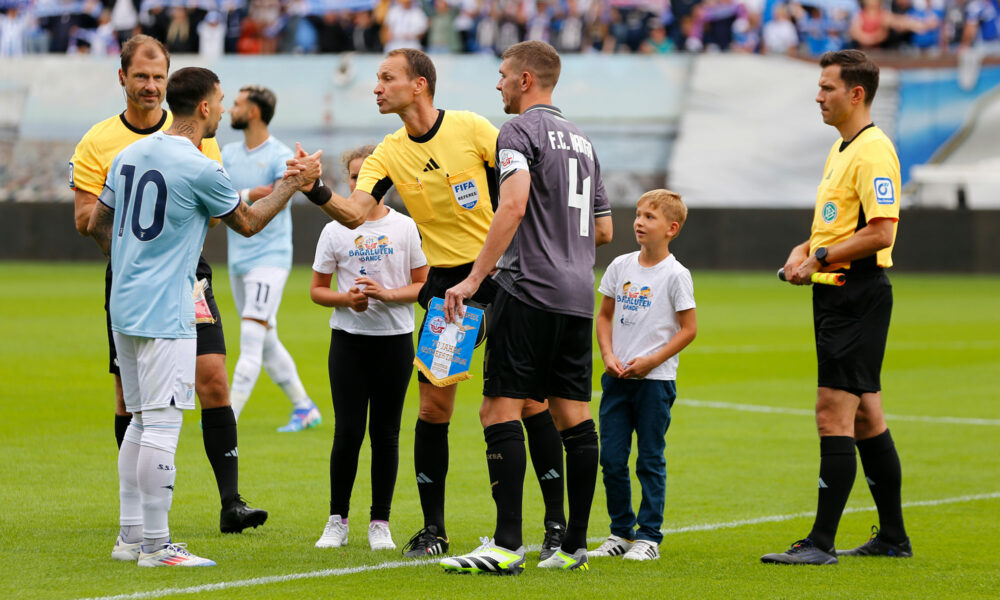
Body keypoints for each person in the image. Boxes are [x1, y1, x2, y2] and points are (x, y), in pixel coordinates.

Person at [298, 47, 569, 560]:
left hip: (506, 274)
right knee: (433, 404)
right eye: (377, 79)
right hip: (447, 288)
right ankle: (434, 529)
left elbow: (524, 183)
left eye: (386, 78)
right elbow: (354, 213)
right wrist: (314, 189)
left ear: (419, 84)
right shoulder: (387, 153)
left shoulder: (472, 128)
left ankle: (553, 524)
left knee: (528, 401)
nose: (377, 87)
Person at [88, 66, 322, 567]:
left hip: (123, 305)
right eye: (217, 99)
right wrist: (295, 183)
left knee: (137, 422)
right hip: (167, 308)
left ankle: (130, 537)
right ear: (204, 107)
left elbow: (95, 223)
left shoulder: (129, 153)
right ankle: (156, 545)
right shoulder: (200, 166)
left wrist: (135, 259)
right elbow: (250, 223)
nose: (219, 108)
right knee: (162, 426)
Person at [69, 34, 267, 534]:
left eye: (159, 77)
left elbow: (102, 222)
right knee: (149, 413)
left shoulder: (146, 154)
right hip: (156, 285)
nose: (150, 85)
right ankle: (154, 538)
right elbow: (240, 220)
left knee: (204, 384)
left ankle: (196, 512)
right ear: (123, 79)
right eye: (141, 76)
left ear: (171, 84)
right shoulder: (101, 142)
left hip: (174, 277)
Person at [439, 40, 613, 575]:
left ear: (526, 80)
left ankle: (507, 545)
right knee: (573, 414)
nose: (498, 84)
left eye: (503, 75)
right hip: (578, 295)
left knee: (499, 408)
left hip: (529, 288)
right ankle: (573, 546)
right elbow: (603, 228)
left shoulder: (517, 132)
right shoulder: (583, 141)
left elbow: (513, 204)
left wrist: (473, 279)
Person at [761, 49, 909, 565]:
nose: (818, 96)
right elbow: (833, 224)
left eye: (827, 88)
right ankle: (893, 537)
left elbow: (880, 230)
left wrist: (820, 255)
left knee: (832, 413)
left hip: (856, 293)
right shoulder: (843, 148)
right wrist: (805, 251)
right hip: (836, 291)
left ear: (856, 93)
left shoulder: (873, 152)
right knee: (867, 417)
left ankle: (820, 542)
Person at [310, 146, 428, 552]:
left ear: (387, 182)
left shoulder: (406, 228)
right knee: (347, 433)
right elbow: (317, 291)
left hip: (394, 343)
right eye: (355, 176)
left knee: (386, 434)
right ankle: (336, 520)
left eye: (369, 176)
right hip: (348, 343)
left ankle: (380, 521)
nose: (362, 183)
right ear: (348, 182)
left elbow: (423, 286)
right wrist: (349, 300)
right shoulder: (334, 230)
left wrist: (389, 295)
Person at [590, 189, 696, 562]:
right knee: (612, 459)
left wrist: (651, 361)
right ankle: (621, 531)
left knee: (649, 459)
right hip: (617, 380)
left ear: (671, 228)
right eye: (637, 214)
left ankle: (649, 536)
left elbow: (688, 329)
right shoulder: (620, 266)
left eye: (649, 217)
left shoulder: (676, 275)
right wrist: (607, 354)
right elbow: (603, 316)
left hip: (655, 382)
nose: (638, 221)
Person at [222, 84, 321, 432]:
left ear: (253, 112)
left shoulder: (281, 156)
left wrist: (238, 198)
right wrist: (250, 193)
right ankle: (305, 407)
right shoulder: (228, 154)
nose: (228, 109)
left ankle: (226, 420)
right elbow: (218, 200)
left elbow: (275, 201)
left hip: (270, 259)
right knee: (265, 341)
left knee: (250, 339)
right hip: (239, 260)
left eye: (235, 104)